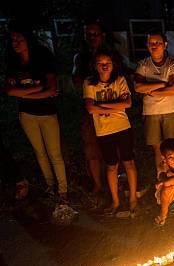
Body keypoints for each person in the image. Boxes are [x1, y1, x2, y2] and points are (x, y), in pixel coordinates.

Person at [5, 24, 68, 201]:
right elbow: (9, 91)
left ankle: (63, 190)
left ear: (28, 40)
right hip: (27, 114)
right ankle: (50, 186)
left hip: (47, 113)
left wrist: (25, 92)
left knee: (54, 153)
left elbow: (51, 89)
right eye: (13, 40)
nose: (15, 43)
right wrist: (38, 89)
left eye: (19, 39)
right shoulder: (13, 63)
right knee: (39, 152)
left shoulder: (42, 58)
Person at [84, 51, 137, 217]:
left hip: (122, 127)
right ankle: (115, 201)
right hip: (104, 130)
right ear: (95, 66)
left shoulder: (120, 80)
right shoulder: (90, 83)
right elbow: (90, 108)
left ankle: (133, 200)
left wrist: (101, 105)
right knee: (111, 166)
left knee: (128, 162)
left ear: (113, 65)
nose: (105, 65)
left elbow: (127, 103)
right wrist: (115, 105)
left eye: (108, 62)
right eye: (101, 62)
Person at [134, 30, 174, 172]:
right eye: (151, 43)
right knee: (158, 149)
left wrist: (150, 90)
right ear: (147, 45)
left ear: (165, 45)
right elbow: (138, 87)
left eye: (158, 43)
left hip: (172, 111)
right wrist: (162, 84)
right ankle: (162, 179)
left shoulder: (172, 65)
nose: (154, 45)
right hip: (151, 112)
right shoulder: (143, 65)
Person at [72, 21, 110, 196]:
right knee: (91, 147)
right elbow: (77, 82)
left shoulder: (111, 56)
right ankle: (97, 184)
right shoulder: (81, 58)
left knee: (111, 148)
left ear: (102, 35)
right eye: (89, 34)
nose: (93, 37)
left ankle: (113, 182)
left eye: (96, 34)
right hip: (89, 110)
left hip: (110, 109)